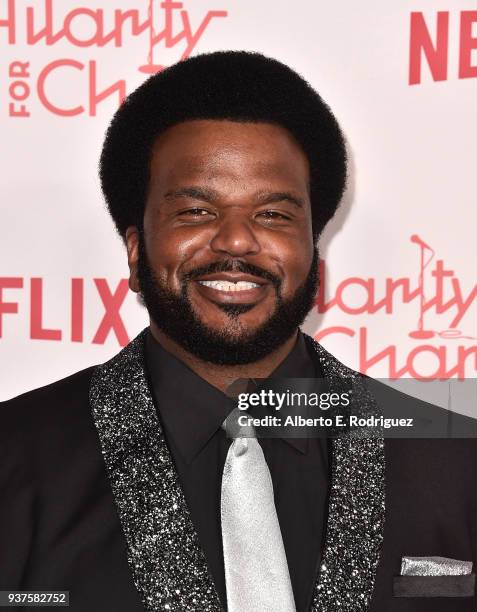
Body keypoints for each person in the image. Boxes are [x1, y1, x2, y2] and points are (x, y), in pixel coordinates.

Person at [0, 51, 475, 612]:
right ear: (135, 250)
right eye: (196, 212)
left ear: (313, 249)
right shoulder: (15, 462)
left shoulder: (454, 463)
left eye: (273, 215)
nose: (236, 241)